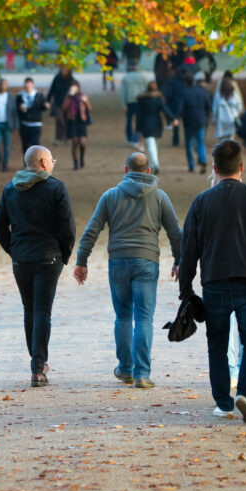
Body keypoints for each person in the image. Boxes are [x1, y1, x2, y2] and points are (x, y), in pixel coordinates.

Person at [179, 139, 246, 422]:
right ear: (242, 167)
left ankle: (223, 402)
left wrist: (185, 288)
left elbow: (189, 250)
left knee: (217, 344)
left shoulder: (201, 201)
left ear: (214, 168)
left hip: (215, 282)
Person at [74, 152, 182, 388]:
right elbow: (175, 232)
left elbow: (92, 229)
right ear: (149, 172)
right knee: (144, 318)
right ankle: (142, 373)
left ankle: (125, 369)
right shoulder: (160, 197)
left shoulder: (110, 196)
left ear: (125, 170)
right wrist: (179, 260)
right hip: (147, 262)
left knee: (123, 316)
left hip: (118, 262)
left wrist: (82, 261)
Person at [0, 146, 75, 387]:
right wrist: (64, 255)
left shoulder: (11, 189)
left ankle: (37, 363)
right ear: (42, 162)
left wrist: (14, 250)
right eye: (51, 160)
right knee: (42, 311)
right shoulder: (56, 188)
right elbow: (67, 228)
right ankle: (38, 367)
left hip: (22, 259)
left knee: (29, 310)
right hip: (48, 257)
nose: (53, 164)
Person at [136, 82, 177, 174]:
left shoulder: (141, 100)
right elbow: (165, 110)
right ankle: (154, 164)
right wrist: (173, 119)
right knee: (154, 146)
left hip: (146, 124)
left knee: (151, 146)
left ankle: (155, 164)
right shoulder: (158, 99)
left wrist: (138, 128)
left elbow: (139, 115)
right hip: (157, 124)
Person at [179, 74, 212, 173]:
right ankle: (203, 160)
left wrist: (180, 116)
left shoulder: (184, 93)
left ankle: (191, 165)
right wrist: (206, 116)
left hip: (188, 121)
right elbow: (208, 106)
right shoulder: (203, 92)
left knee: (189, 143)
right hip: (201, 119)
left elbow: (180, 108)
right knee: (201, 142)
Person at [62, 81, 92, 170]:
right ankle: (75, 162)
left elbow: (89, 108)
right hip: (72, 121)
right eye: (72, 88)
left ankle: (82, 158)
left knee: (82, 143)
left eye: (75, 88)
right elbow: (64, 107)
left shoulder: (83, 96)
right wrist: (68, 96)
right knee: (74, 142)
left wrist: (85, 102)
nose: (73, 90)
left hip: (81, 121)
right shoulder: (68, 97)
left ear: (78, 88)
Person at [120, 61, 149, 147]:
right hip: (140, 101)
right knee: (138, 121)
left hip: (129, 102)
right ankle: (136, 139)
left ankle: (129, 138)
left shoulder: (125, 78)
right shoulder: (143, 77)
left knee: (129, 120)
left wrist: (123, 104)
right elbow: (146, 90)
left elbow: (122, 92)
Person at [16, 77, 49, 154]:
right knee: (25, 145)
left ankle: (35, 165)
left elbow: (42, 107)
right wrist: (20, 108)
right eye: (26, 84)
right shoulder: (20, 96)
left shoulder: (39, 95)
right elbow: (16, 109)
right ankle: (26, 164)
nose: (28, 86)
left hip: (36, 124)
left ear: (32, 85)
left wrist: (46, 106)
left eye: (29, 84)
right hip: (24, 124)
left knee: (35, 146)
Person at [45, 66, 73, 145]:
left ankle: (66, 137)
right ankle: (58, 137)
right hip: (58, 103)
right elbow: (52, 90)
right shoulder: (57, 79)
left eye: (66, 69)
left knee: (67, 120)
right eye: (62, 69)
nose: (64, 70)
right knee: (59, 119)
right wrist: (48, 100)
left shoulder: (71, 80)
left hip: (68, 104)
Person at [162, 67, 187, 147]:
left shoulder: (171, 82)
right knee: (186, 124)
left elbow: (168, 94)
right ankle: (187, 140)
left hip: (174, 105)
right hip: (186, 105)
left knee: (175, 123)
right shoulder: (186, 81)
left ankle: (176, 141)